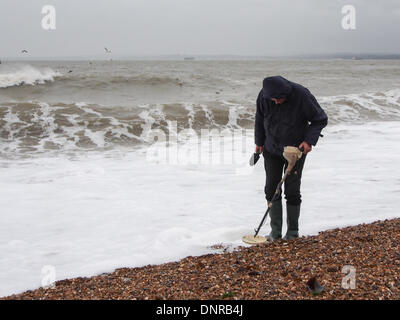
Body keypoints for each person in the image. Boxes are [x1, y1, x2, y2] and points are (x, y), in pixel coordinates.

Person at [254, 76, 328, 241]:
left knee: (292, 190)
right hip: (271, 149)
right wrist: (259, 142)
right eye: (274, 99)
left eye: (280, 98)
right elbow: (259, 118)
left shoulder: (301, 94)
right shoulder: (263, 96)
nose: (278, 101)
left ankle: (293, 233)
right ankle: (275, 233)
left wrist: (309, 141)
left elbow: (320, 119)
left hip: (295, 151)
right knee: (271, 189)